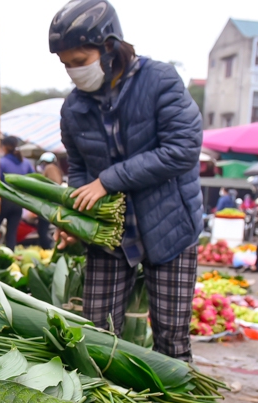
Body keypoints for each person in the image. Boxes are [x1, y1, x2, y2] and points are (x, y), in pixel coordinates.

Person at [51, 0, 203, 360]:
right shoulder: (73, 108)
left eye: (79, 62)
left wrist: (109, 180)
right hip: (110, 236)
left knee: (171, 338)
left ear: (108, 46)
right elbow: (78, 169)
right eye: (66, 65)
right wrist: (76, 220)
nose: (74, 72)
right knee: (97, 337)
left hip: (171, 228)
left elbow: (182, 149)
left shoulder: (160, 80)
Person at [0, 135, 34, 249]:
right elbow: (33, 181)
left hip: (3, 202)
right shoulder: (26, 163)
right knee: (11, 235)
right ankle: (11, 260)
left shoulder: (1, 162)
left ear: (4, 147)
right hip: (18, 203)